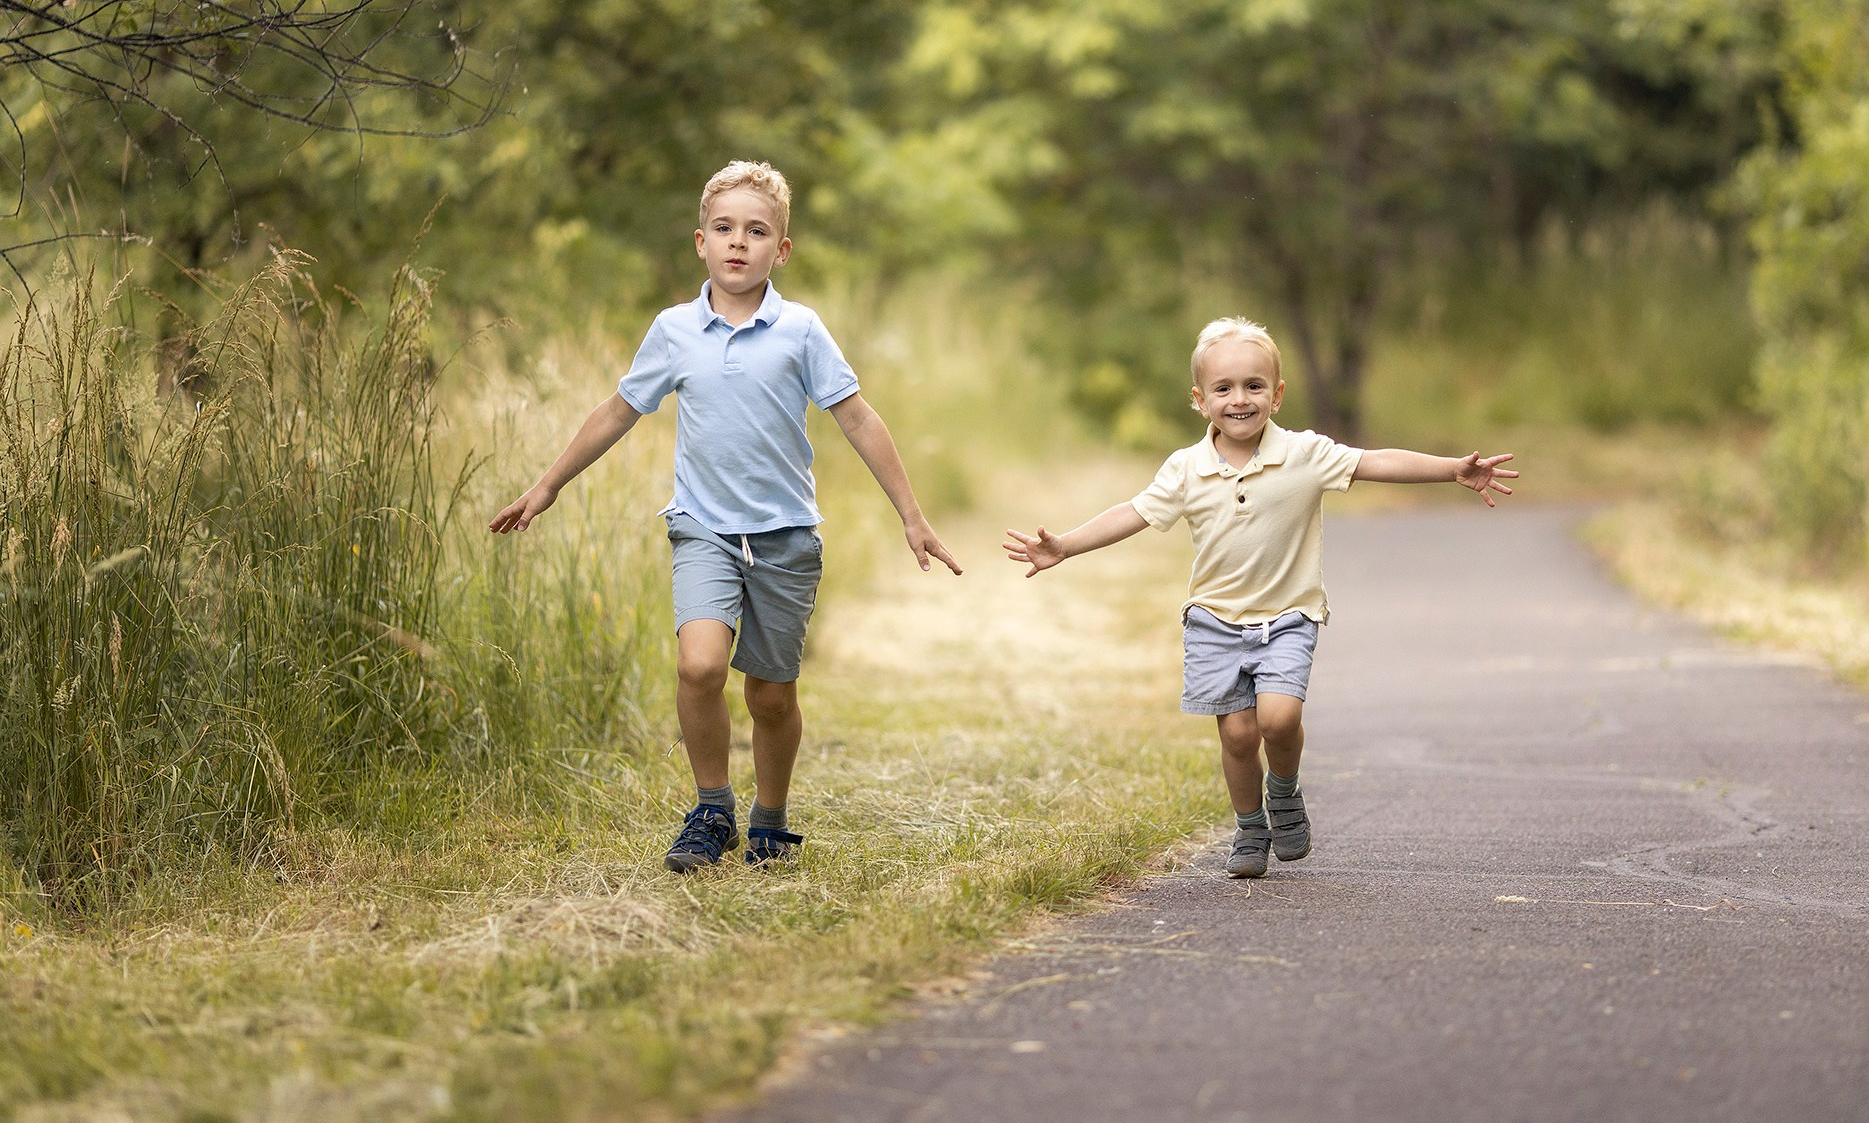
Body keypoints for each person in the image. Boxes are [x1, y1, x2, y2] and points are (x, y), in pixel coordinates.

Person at [490, 161, 961, 871]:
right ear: (700, 243)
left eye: (757, 230)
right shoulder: (675, 330)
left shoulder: (800, 330)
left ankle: (770, 820)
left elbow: (858, 419)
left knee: (771, 695)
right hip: (703, 527)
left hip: (786, 537)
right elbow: (620, 409)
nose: (738, 242)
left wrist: (912, 514)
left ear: (782, 250)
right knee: (699, 663)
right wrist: (549, 483)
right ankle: (712, 808)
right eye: (724, 228)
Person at [1003, 317, 1515, 879]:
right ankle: (1250, 826)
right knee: (1239, 735)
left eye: (1254, 386)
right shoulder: (1186, 468)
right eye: (1223, 389)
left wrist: (1451, 471)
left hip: (1288, 616)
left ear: (1278, 393)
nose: (1240, 400)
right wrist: (1066, 546)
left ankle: (1286, 789)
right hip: (1213, 622)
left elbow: (1375, 461)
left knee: (1278, 717)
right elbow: (1133, 512)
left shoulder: (1305, 454)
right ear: (1200, 401)